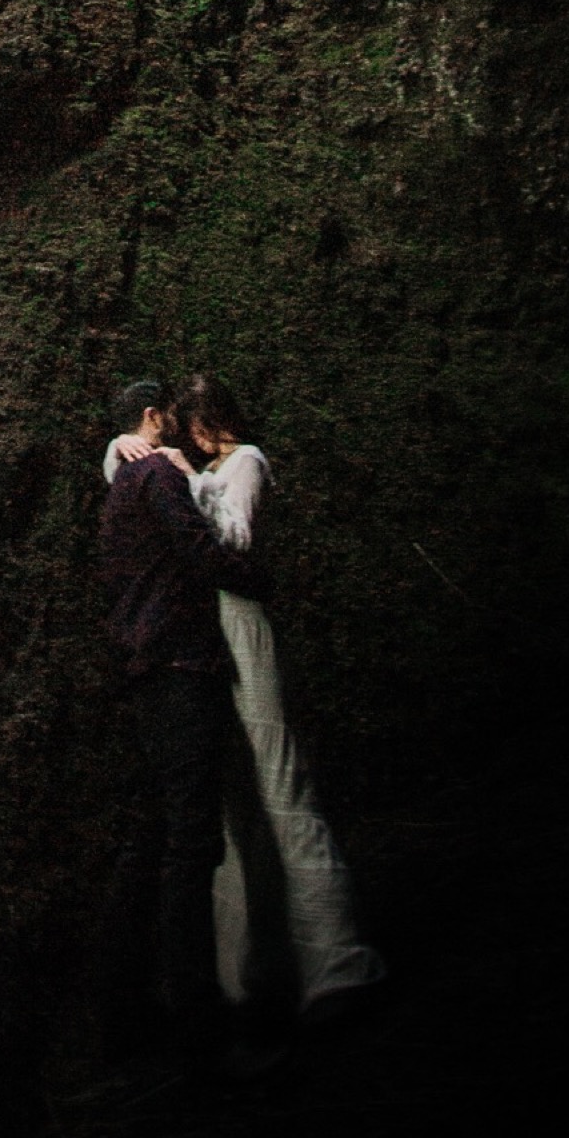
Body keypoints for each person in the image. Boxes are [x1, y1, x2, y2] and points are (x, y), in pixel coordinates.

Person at [107, 373, 385, 1021]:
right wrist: (134, 455)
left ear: (208, 420)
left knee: (280, 779)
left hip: (242, 624)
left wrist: (181, 477)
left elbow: (233, 538)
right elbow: (143, 487)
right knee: (230, 812)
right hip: (204, 633)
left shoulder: (248, 462)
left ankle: (336, 959)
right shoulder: (185, 467)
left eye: (189, 425)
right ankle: (246, 974)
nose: (184, 438)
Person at [96, 377, 273, 1073]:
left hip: (142, 670)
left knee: (147, 843)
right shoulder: (155, 478)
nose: (180, 426)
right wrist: (258, 579)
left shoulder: (115, 491)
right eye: (169, 415)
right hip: (178, 667)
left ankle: (123, 1017)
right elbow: (201, 548)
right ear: (151, 418)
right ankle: (202, 1026)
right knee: (189, 847)